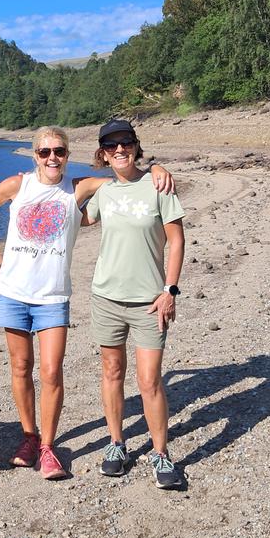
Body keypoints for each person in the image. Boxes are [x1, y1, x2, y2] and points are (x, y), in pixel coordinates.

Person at [0, 126, 173, 480]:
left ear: (67, 154)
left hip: (53, 296)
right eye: (45, 152)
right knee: (20, 368)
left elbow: (124, 177)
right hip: (13, 292)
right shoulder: (17, 185)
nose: (52, 158)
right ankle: (29, 437)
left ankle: (47, 447)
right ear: (35, 155)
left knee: (50, 372)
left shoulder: (78, 188)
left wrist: (156, 168)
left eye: (59, 152)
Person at [83, 119, 186, 489]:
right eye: (111, 146)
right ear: (103, 153)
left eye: (125, 143)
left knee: (149, 381)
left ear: (135, 145)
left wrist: (169, 290)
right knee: (111, 373)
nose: (120, 150)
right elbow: (75, 217)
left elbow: (176, 240)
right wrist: (86, 185)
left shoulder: (158, 185)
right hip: (106, 298)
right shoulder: (104, 192)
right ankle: (116, 444)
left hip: (149, 302)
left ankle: (161, 453)